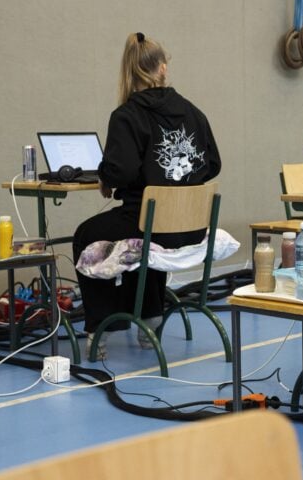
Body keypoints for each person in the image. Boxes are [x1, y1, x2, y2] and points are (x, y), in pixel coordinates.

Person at [73, 32, 221, 359]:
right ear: (163, 68)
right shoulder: (194, 113)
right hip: (192, 229)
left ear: (128, 71)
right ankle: (151, 314)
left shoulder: (126, 116)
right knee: (147, 230)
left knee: (87, 234)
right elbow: (213, 164)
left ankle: (101, 326)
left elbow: (121, 172)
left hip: (147, 223)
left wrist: (105, 177)